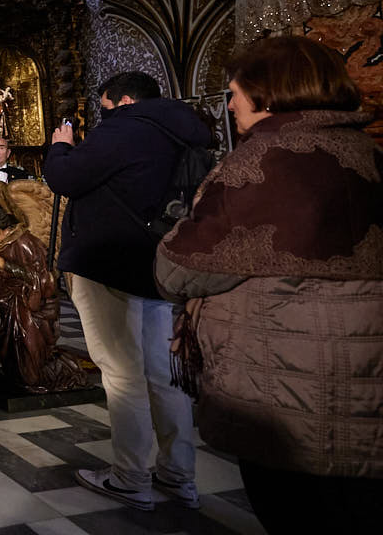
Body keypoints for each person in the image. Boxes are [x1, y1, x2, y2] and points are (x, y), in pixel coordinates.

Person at [155, 36, 383, 532]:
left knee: (299, 513)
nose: (231, 104)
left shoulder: (261, 165)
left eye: (235, 92)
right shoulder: (369, 151)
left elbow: (177, 271)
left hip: (290, 387)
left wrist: (179, 224)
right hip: (363, 385)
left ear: (266, 95)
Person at [43, 70, 211, 511]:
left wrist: (60, 144)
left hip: (110, 263)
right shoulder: (183, 129)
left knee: (122, 373)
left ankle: (131, 476)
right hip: (158, 265)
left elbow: (65, 178)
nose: (103, 115)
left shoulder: (124, 128)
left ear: (122, 101)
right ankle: (178, 474)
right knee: (163, 373)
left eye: (105, 107)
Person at [0, 198, 86, 393]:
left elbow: (43, 277)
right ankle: (0, 366)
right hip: (3, 298)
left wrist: (7, 266)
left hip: (29, 301)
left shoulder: (23, 241)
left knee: (31, 371)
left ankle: (56, 369)